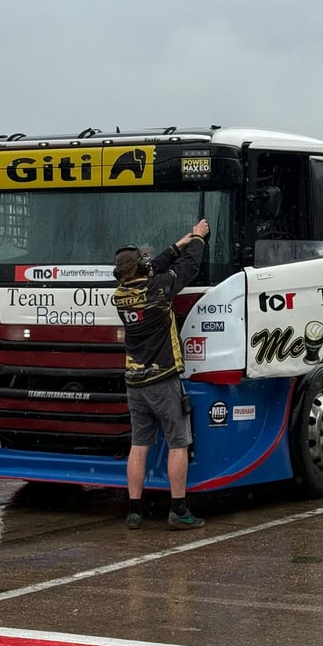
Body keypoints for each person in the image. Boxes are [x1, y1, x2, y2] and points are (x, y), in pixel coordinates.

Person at [113, 218, 210, 529]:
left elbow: (148, 268)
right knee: (177, 443)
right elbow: (190, 267)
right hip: (163, 378)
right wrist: (197, 240)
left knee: (138, 445)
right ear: (143, 268)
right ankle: (179, 509)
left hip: (134, 382)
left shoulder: (120, 295)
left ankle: (134, 511)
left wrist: (176, 245)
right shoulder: (160, 288)